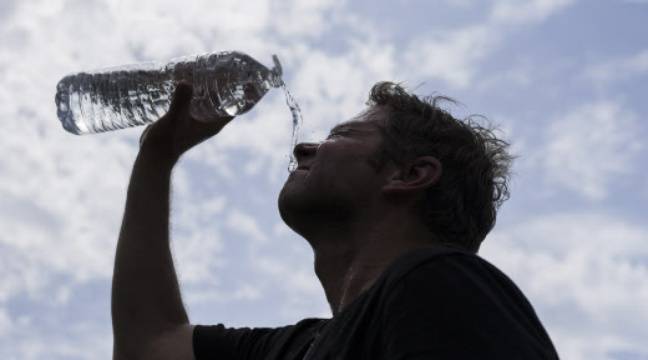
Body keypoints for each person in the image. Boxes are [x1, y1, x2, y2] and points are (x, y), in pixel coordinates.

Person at [111, 81, 560, 359]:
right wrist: (157, 156)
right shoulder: (296, 347)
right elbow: (149, 345)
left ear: (410, 175)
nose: (302, 149)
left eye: (340, 135)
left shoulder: (439, 283)